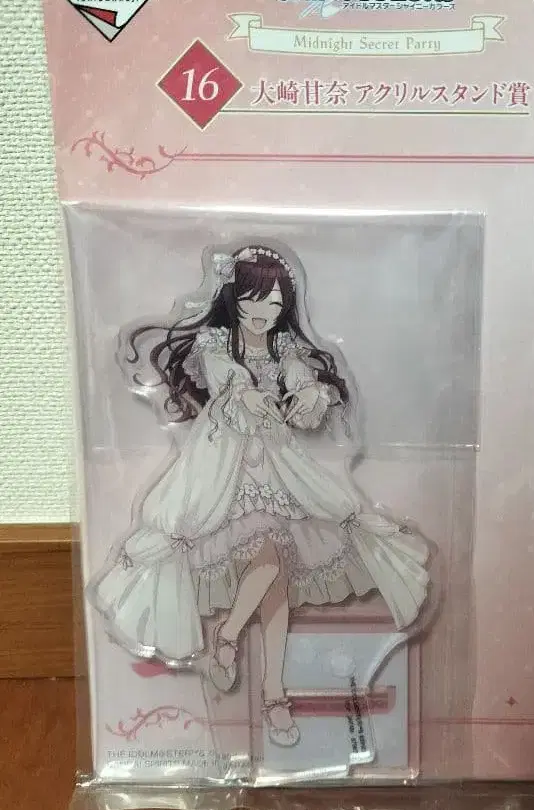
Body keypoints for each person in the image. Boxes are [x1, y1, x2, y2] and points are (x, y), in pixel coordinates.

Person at [89, 244, 430, 747]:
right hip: (223, 467)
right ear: (233, 297)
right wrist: (242, 390)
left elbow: (299, 376)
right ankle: (257, 674)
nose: (263, 312)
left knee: (276, 571)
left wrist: (309, 392)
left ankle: (258, 674)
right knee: (272, 565)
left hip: (276, 463)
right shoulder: (216, 341)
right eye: (253, 299)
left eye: (274, 303)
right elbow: (221, 373)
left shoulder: (283, 347)